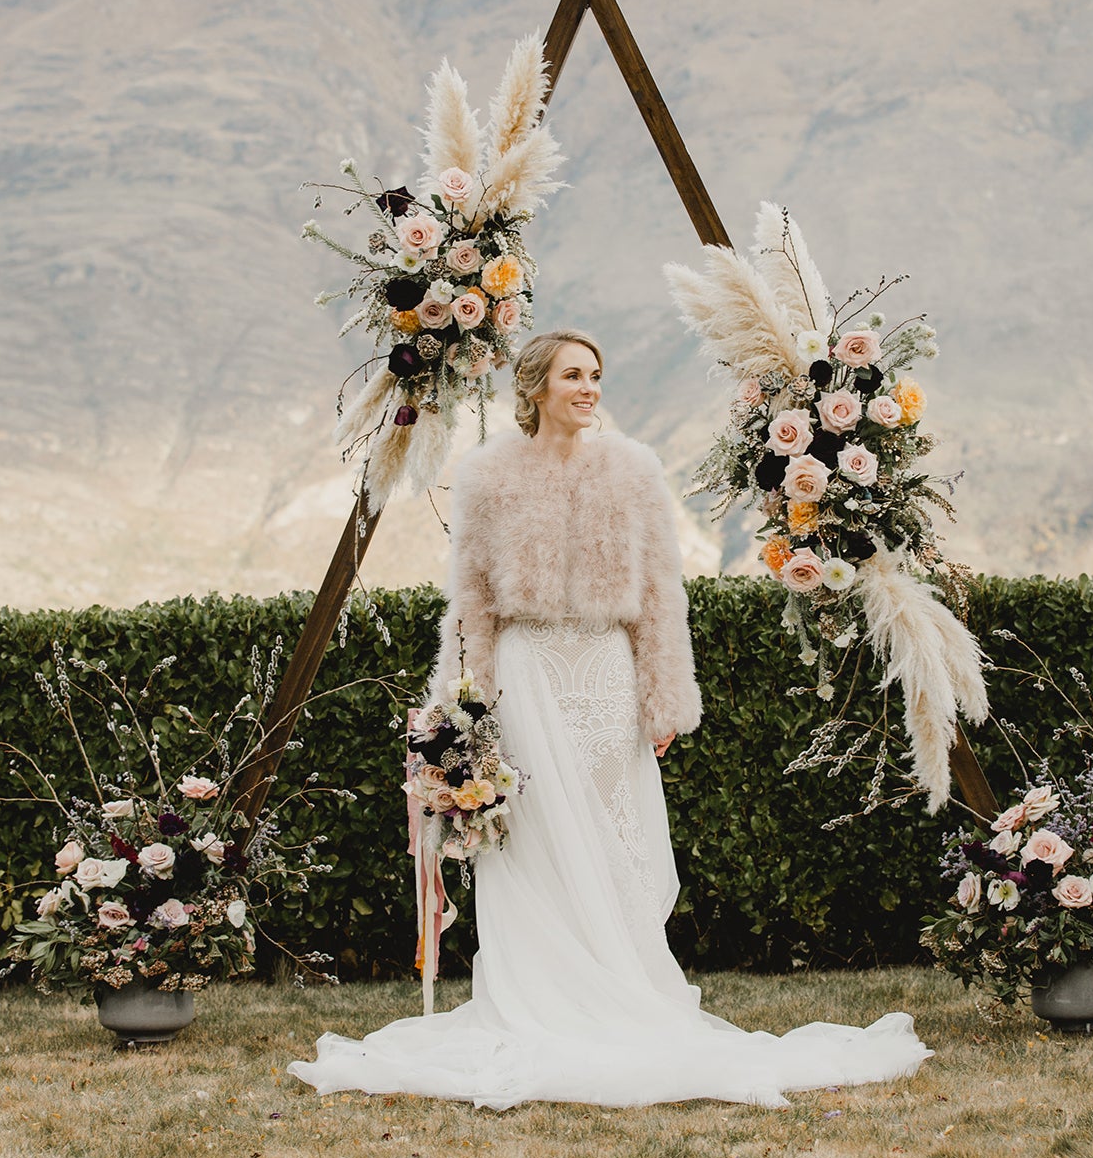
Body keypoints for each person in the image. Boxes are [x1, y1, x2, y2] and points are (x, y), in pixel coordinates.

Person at [288, 330, 931, 1109]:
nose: (589, 388)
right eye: (573, 376)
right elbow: (472, 604)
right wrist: (459, 714)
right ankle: (540, 1000)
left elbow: (662, 593)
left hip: (604, 677)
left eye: (596, 374)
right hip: (526, 679)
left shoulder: (633, 471)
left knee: (612, 839)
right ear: (535, 388)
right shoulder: (486, 475)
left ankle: (618, 987)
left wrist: (665, 699)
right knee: (534, 843)